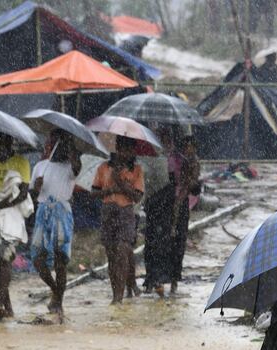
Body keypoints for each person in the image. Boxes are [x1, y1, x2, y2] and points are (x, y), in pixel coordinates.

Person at [30, 131, 81, 319]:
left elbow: (77, 168)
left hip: (62, 213)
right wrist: (36, 187)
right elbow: (32, 194)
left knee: (61, 260)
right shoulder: (40, 167)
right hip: (43, 212)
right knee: (37, 258)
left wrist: (71, 149)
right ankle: (55, 291)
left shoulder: (70, 167)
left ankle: (58, 301)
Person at [0, 132, 32, 319]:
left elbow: (23, 193)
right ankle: (7, 307)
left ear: (10, 142)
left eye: (1, 141)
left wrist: (0, 205)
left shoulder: (21, 163)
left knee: (5, 259)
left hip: (11, 218)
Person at [93, 136, 145, 304]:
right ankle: (116, 290)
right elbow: (94, 192)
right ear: (117, 149)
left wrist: (121, 185)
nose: (125, 153)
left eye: (129, 150)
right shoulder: (103, 168)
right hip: (108, 212)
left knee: (123, 250)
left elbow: (137, 196)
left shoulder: (136, 170)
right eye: (123, 149)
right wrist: (110, 190)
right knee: (111, 255)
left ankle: (118, 297)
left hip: (126, 213)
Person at [142, 127, 174, 296]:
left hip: (164, 207)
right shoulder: (151, 160)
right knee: (152, 244)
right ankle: (152, 277)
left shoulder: (170, 161)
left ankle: (159, 278)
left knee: (160, 244)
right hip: (154, 207)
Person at [168, 134, 200, 294]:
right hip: (169, 204)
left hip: (181, 206)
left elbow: (192, 185)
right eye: (186, 147)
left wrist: (181, 195)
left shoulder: (193, 163)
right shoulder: (175, 160)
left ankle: (174, 278)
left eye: (191, 147)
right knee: (170, 242)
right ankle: (168, 277)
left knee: (179, 242)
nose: (188, 150)